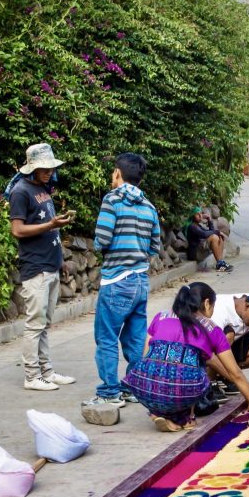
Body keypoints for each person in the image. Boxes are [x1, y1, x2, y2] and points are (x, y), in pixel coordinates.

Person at [123, 282, 249, 431]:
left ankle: (158, 413)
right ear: (207, 303)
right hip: (181, 390)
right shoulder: (211, 328)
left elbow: (146, 356)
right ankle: (187, 418)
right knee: (197, 367)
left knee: (163, 365)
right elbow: (234, 372)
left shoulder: (160, 316)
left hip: (142, 387)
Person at [88, 152, 162, 408]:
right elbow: (155, 246)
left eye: (113, 172)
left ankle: (109, 393)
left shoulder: (112, 201)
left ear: (118, 173)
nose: (112, 176)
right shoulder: (149, 206)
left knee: (106, 337)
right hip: (140, 281)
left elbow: (102, 240)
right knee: (135, 338)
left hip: (116, 280)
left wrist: (102, 245)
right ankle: (132, 386)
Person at [9, 143, 76, 391]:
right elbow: (17, 230)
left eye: (50, 167)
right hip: (35, 268)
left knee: (44, 324)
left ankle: (46, 371)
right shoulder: (21, 191)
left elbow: (49, 226)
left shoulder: (44, 190)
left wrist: (61, 260)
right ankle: (31, 375)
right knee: (35, 324)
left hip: (51, 265)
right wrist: (50, 225)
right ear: (32, 168)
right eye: (43, 168)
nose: (48, 171)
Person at [186, 207, 233, 272]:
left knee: (220, 237)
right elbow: (204, 234)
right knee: (214, 236)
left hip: (201, 251)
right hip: (195, 253)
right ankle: (220, 264)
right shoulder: (192, 226)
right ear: (192, 216)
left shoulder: (198, 225)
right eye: (197, 214)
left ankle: (221, 263)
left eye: (201, 214)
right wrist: (217, 232)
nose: (200, 216)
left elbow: (211, 231)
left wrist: (209, 220)